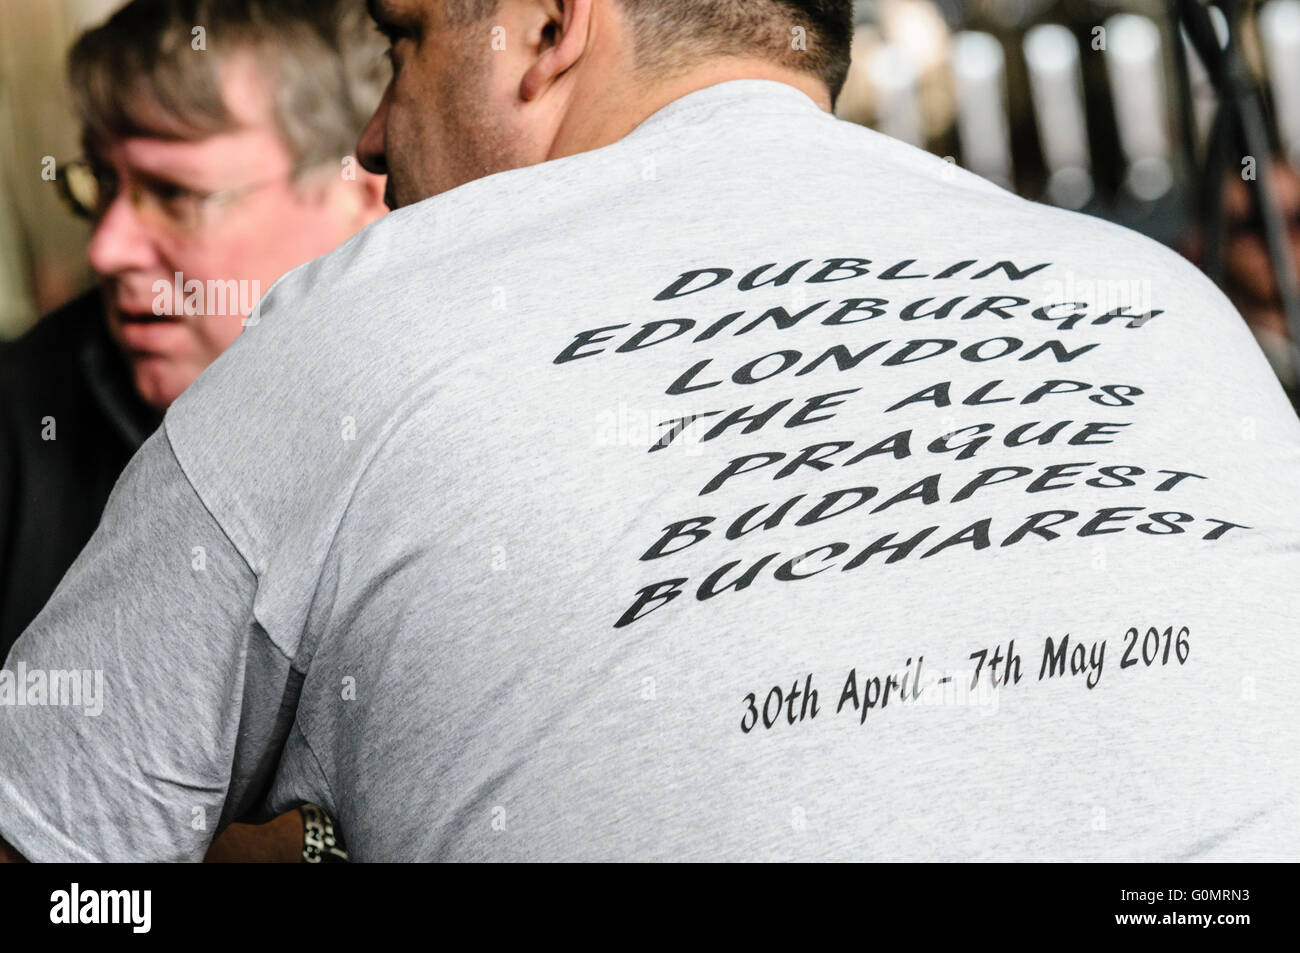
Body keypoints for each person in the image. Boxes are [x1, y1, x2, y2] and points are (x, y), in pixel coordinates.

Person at [1, 0, 1298, 861]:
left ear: (548, 26)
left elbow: (47, 844)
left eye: (402, 44)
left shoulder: (353, 333)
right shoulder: (1171, 313)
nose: (377, 133)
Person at [0, 0, 387, 861]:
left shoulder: (445, 433)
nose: (108, 247)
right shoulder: (19, 426)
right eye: (99, 180)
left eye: (175, 192)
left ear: (360, 187)